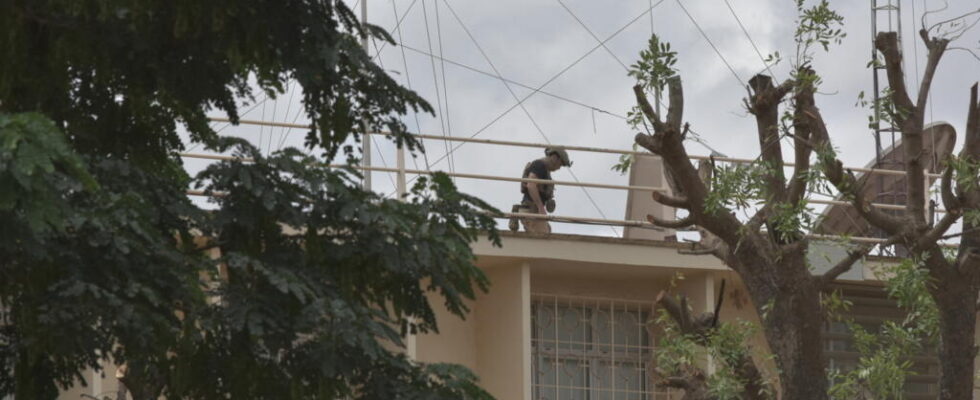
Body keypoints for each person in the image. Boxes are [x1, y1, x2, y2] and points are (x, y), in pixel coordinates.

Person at [509, 147, 572, 233]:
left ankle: (517, 211)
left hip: (534, 210)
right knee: (543, 236)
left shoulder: (545, 170)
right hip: (531, 210)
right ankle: (517, 212)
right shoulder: (539, 165)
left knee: (547, 231)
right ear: (555, 158)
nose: (558, 168)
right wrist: (541, 207)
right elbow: (531, 185)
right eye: (560, 164)